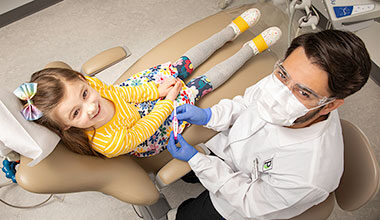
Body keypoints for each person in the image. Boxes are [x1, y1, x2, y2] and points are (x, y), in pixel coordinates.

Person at [14, 8, 281, 158]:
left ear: (85, 81)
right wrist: (167, 101)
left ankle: (230, 31)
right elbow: (145, 128)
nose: (91, 106)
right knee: (199, 85)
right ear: (66, 126)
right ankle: (250, 49)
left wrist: (156, 89)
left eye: (85, 94)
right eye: (76, 113)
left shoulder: (94, 87)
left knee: (181, 65)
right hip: (151, 128)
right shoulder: (107, 143)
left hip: (139, 102)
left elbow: (124, 93)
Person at [166, 29, 371, 220]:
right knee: (189, 173)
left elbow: (247, 199)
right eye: (283, 75)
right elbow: (246, 103)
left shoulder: (308, 175)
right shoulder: (286, 78)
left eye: (303, 92)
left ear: (330, 105)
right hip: (231, 151)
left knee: (187, 215)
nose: (278, 96)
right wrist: (210, 115)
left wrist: (198, 161)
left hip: (241, 201)